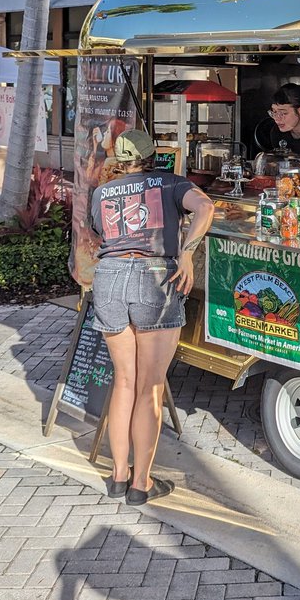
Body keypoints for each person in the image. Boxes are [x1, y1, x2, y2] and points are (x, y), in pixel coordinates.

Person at [89, 129, 215, 505]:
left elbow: (99, 234)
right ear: (153, 155)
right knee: (150, 387)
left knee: (124, 382)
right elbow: (206, 207)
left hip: (109, 277)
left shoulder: (101, 192)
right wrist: (188, 252)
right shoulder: (173, 183)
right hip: (155, 278)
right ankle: (141, 484)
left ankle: (117, 476)